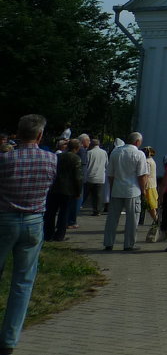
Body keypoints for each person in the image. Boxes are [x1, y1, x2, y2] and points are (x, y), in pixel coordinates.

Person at [0, 114, 58, 355]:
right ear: (40, 135)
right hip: (34, 220)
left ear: (18, 133)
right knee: (23, 282)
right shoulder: (51, 159)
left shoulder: (5, 159)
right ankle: (9, 340)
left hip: (5, 219)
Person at [103, 132, 149, 251]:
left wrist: (113, 187)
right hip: (133, 191)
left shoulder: (115, 152)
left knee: (112, 219)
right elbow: (142, 175)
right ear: (137, 142)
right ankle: (129, 244)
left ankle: (108, 243)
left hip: (117, 189)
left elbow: (110, 174)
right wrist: (143, 190)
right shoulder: (139, 154)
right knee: (132, 219)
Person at [44, 138, 83, 242]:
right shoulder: (76, 159)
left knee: (51, 212)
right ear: (77, 148)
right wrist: (78, 191)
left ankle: (48, 234)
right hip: (68, 190)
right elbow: (78, 177)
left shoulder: (58, 156)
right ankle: (60, 235)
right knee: (64, 213)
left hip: (54, 188)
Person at [82, 136, 108, 216]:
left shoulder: (89, 153)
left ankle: (79, 205)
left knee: (85, 194)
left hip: (90, 176)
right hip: (100, 177)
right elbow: (107, 164)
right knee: (98, 195)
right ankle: (97, 210)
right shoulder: (104, 152)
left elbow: (86, 165)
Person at [142, 145, 160, 238]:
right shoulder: (152, 161)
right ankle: (156, 220)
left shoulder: (147, 162)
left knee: (150, 206)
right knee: (151, 205)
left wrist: (143, 187)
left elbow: (146, 175)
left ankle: (157, 221)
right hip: (153, 185)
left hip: (149, 186)